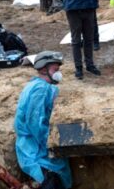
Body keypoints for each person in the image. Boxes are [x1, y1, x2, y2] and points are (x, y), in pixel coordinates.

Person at [14, 51, 72, 189]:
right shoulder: (40, 89)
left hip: (31, 144)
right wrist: (51, 143)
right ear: (43, 69)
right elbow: (35, 123)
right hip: (35, 149)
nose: (58, 73)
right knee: (52, 180)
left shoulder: (37, 85)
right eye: (55, 69)